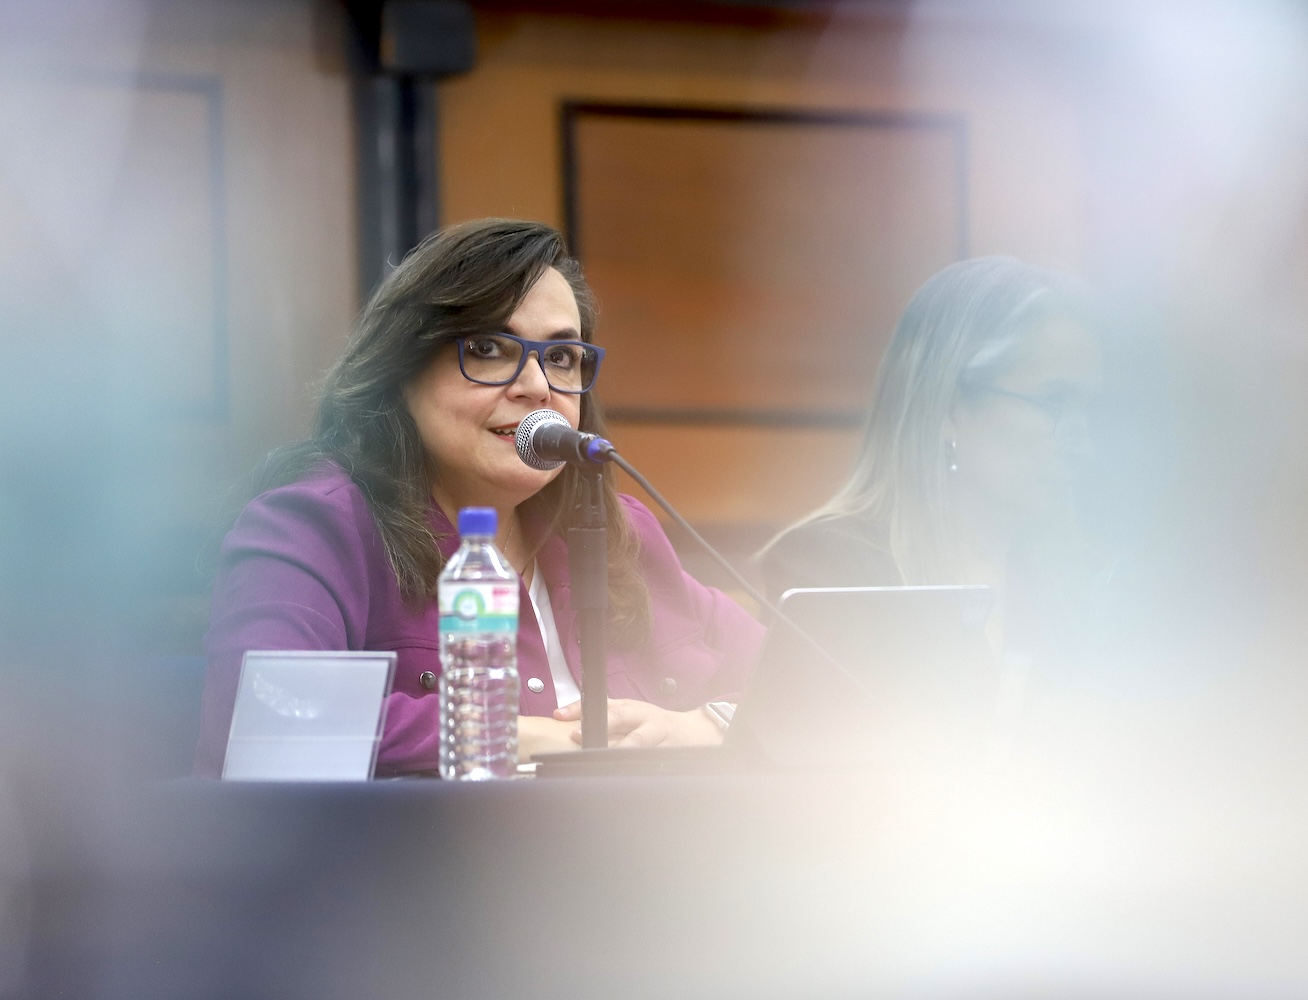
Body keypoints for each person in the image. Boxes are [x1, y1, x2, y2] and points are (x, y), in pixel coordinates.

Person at [194, 219, 763, 777]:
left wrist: (707, 726)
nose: (537, 387)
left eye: (561, 358)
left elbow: (806, 678)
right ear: (402, 371)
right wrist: (525, 738)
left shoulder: (619, 534)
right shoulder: (315, 526)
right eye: (490, 348)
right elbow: (267, 717)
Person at [758, 257, 1100, 658]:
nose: (1085, 447)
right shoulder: (830, 570)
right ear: (948, 409)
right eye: (1054, 402)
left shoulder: (1079, 583)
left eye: (1090, 412)